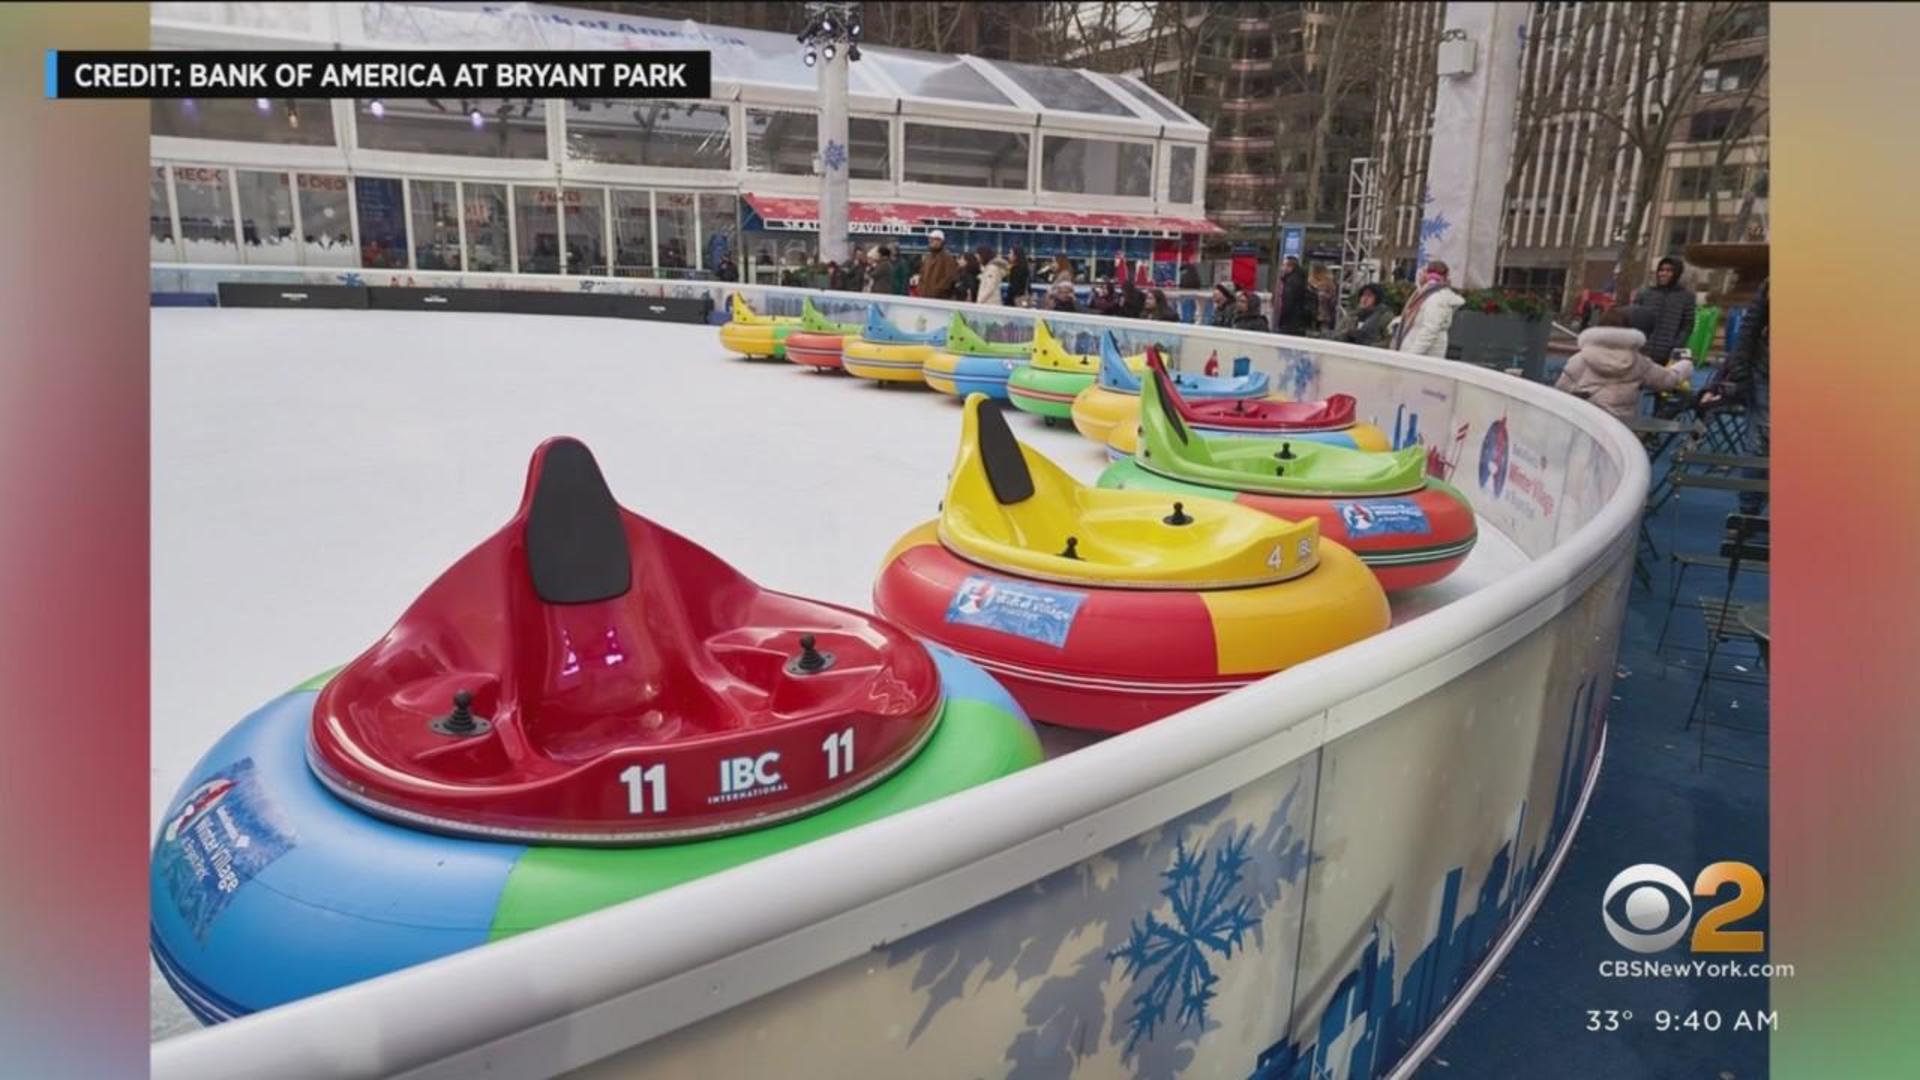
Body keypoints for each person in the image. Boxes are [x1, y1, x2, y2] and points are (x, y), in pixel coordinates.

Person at [1702, 278, 1770, 514]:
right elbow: (1749, 329)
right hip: (1765, 374)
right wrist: (1741, 372)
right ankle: (1748, 509)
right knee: (1760, 442)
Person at [1553, 306, 1694, 419]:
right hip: (1620, 427)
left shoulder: (1580, 358)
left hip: (1586, 421)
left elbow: (1560, 392)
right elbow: (1668, 381)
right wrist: (1684, 365)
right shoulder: (1638, 362)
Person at [1390, 260, 1465, 357]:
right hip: (1415, 353)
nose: (1419, 274)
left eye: (1423, 271)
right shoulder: (1425, 294)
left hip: (1421, 357)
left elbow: (1430, 330)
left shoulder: (1435, 298)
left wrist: (1411, 356)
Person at [1632, 254, 1696, 362]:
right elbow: (1634, 318)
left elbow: (1687, 325)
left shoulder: (1686, 297)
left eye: (1669, 270)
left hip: (1666, 353)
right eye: (1661, 270)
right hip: (1642, 350)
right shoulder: (1645, 293)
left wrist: (1676, 345)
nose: (1664, 273)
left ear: (1677, 273)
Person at [1275, 255, 1314, 335]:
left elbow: (1288, 302)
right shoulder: (1300, 279)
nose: (1282, 268)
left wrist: (1282, 320)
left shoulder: (1292, 282)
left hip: (1291, 321)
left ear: (1290, 267)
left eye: (1284, 265)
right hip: (1299, 320)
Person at [917, 230, 959, 301]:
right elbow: (922, 274)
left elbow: (949, 278)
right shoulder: (928, 258)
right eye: (930, 240)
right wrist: (921, 289)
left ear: (941, 241)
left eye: (935, 240)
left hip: (940, 298)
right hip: (924, 297)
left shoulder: (947, 258)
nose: (932, 242)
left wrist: (937, 290)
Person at [1310, 267, 1339, 333]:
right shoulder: (1312, 282)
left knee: (1324, 332)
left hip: (1324, 314)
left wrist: (1323, 295)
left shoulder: (1329, 283)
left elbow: (1333, 298)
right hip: (1315, 313)